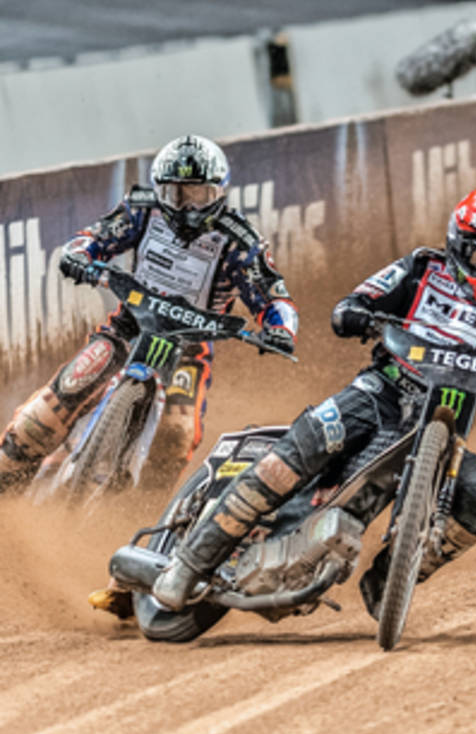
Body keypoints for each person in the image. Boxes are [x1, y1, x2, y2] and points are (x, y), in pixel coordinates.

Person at [147, 187, 476, 616]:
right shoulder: (421, 268)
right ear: (458, 243)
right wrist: (357, 313)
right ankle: (188, 565)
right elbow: (355, 303)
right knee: (293, 455)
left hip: (444, 425)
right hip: (381, 390)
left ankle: (390, 577)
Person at [0, 134, 298, 493]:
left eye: (197, 194)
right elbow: (95, 237)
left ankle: (143, 513)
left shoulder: (240, 242)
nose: (187, 207)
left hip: (189, 345)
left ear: (219, 192)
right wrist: (80, 255)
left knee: (178, 433)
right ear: (160, 190)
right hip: (130, 326)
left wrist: (280, 330)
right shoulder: (142, 209)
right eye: (176, 194)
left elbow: (273, 296)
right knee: (50, 408)